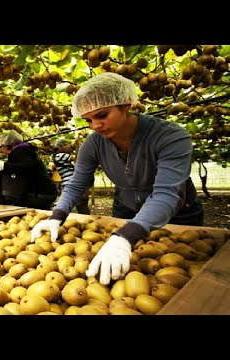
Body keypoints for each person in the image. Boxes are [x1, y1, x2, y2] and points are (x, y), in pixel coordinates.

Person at [31, 72, 204, 285]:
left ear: (126, 105)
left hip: (179, 213)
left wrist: (125, 236)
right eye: (88, 120)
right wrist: (57, 215)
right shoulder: (93, 144)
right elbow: (77, 183)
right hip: (126, 209)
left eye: (102, 115)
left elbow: (167, 193)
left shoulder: (170, 137)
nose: (95, 126)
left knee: (182, 271)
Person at [0, 130, 58, 210]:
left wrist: (4, 166)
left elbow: (27, 167)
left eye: (2, 146)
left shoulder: (21, 151)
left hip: (39, 193)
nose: (1, 149)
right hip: (43, 191)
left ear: (9, 145)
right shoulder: (25, 150)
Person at [53, 137, 90, 214]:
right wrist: (77, 147)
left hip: (70, 183)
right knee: (80, 205)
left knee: (78, 205)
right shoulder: (60, 155)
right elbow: (78, 159)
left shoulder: (61, 156)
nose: (68, 146)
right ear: (60, 146)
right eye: (66, 145)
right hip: (70, 183)